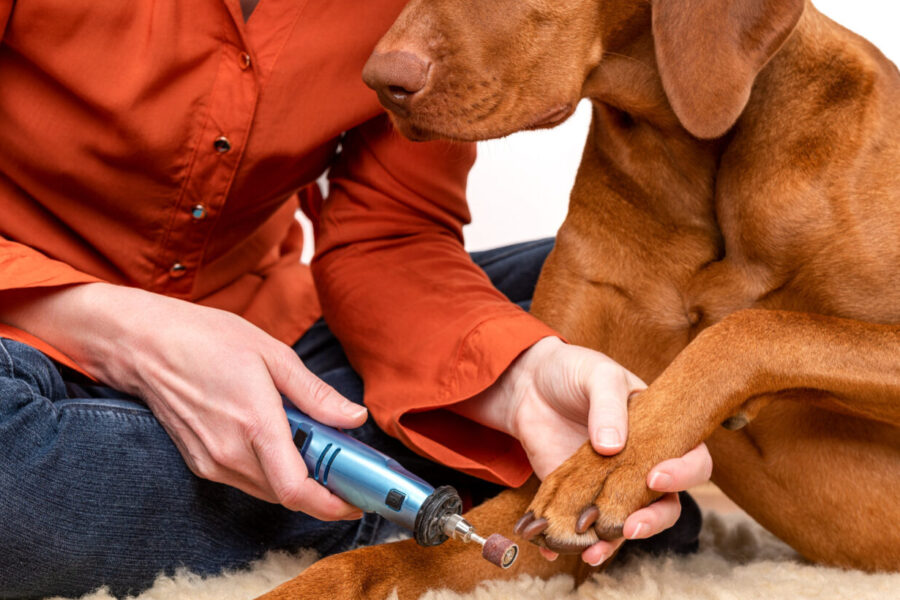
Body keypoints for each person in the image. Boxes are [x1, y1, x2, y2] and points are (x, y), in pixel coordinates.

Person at [0, 1, 712, 597]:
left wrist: (519, 375)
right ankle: (436, 500)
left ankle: (265, 464)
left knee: (637, 308)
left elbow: (390, 235)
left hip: (272, 345)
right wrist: (129, 332)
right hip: (20, 329)